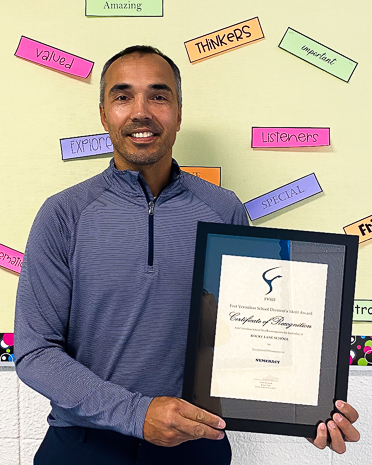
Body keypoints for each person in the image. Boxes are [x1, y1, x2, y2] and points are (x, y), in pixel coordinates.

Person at [14, 45, 359, 464]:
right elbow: (36, 352)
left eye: (159, 96)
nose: (141, 111)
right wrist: (136, 414)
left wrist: (302, 408)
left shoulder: (224, 209)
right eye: (122, 96)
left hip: (194, 448)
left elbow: (247, 332)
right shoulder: (63, 214)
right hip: (84, 445)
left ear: (179, 112)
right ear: (104, 114)